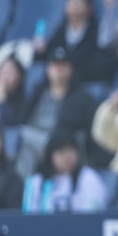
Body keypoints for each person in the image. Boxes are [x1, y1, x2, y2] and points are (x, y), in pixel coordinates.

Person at [17, 46, 98, 176]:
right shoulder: (38, 93)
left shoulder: (82, 98)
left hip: (61, 144)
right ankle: (26, 188)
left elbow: (89, 130)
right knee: (24, 144)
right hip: (35, 140)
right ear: (48, 69)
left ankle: (25, 188)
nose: (59, 70)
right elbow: (22, 117)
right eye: (55, 66)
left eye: (63, 66)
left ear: (71, 69)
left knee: (22, 136)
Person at [34, 0, 118, 83]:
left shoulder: (95, 30)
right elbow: (51, 51)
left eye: (78, 3)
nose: (74, 6)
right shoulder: (60, 32)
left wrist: (109, 9)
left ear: (89, 8)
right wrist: (41, 50)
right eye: (71, 3)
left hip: (85, 79)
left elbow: (106, 42)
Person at [22, 130, 108, 213]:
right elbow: (28, 216)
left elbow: (94, 214)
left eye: (71, 150)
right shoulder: (36, 181)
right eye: (61, 152)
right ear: (50, 155)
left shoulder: (89, 178)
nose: (67, 157)